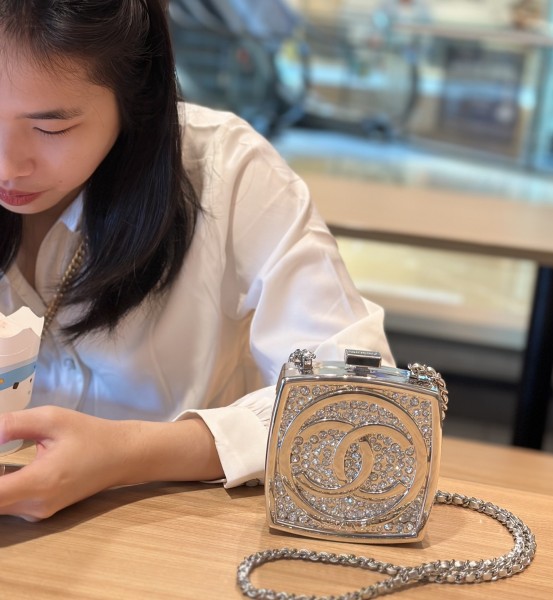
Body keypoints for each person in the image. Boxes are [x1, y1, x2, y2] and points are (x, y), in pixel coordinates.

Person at [0, 0, 393, 521]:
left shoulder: (224, 173)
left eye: (51, 129)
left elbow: (361, 403)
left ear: (136, 94)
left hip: (178, 537)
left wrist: (130, 454)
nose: (8, 166)